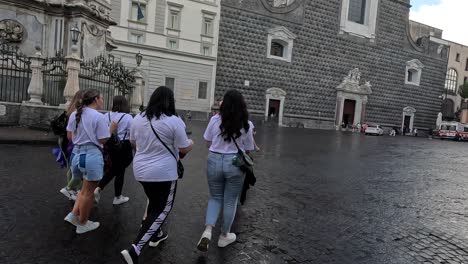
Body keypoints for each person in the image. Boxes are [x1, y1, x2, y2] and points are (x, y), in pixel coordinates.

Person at [121, 86, 194, 264]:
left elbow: (132, 142)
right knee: (162, 209)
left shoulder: (138, 118)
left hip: (140, 170)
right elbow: (184, 147)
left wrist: (147, 152)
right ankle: (135, 249)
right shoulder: (174, 120)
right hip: (164, 173)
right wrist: (192, 142)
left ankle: (157, 234)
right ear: (171, 101)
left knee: (154, 202)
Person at [197, 89, 255, 252]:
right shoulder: (247, 124)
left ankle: (207, 232)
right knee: (230, 200)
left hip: (214, 159)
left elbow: (207, 142)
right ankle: (224, 236)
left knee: (215, 198)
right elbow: (249, 148)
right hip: (235, 163)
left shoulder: (215, 120)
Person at [63, 89, 110, 234]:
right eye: (101, 98)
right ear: (96, 99)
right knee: (88, 192)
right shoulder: (99, 117)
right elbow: (103, 139)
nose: (102, 101)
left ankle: (73, 214)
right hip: (91, 156)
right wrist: (111, 130)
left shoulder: (75, 114)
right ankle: (83, 223)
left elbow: (70, 137)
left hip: (76, 155)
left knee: (84, 189)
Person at [94, 96, 134, 205]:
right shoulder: (128, 117)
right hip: (124, 145)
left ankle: (117, 196)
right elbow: (132, 134)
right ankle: (100, 188)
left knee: (118, 169)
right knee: (118, 168)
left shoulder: (106, 115)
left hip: (110, 144)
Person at [57, 91, 83, 200]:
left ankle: (71, 192)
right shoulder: (77, 112)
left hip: (63, 140)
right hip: (71, 141)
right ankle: (73, 191)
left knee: (70, 166)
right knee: (75, 168)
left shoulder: (70, 110)